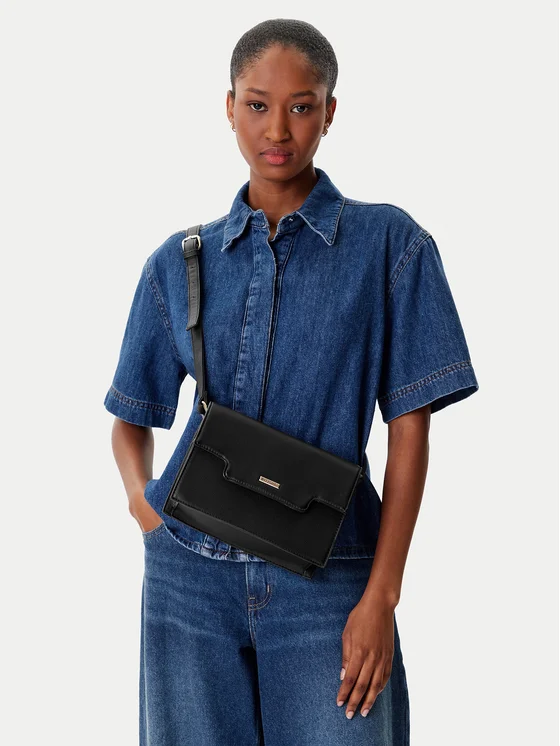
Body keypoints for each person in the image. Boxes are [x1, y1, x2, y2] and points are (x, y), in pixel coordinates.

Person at [104, 18, 479, 746]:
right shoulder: (178, 261)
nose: (278, 129)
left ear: (330, 112)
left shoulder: (390, 245)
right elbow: (131, 415)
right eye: (257, 104)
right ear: (229, 107)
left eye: (302, 106)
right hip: (188, 578)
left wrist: (383, 594)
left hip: (331, 575)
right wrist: (145, 511)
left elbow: (410, 428)